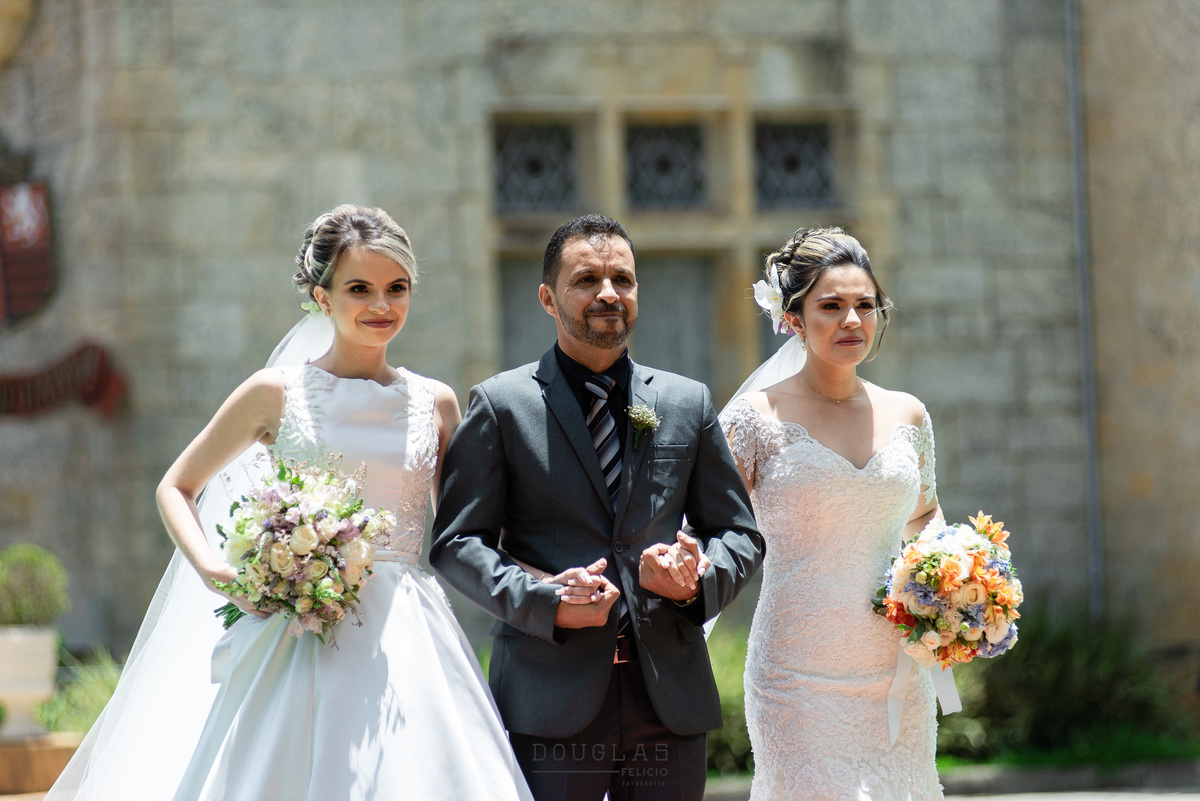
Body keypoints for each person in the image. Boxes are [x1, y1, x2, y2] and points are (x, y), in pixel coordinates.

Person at [49, 205, 532, 801]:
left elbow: (464, 535)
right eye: (360, 288)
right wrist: (216, 572)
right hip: (296, 629)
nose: (382, 305)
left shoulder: (436, 403)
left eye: (396, 288)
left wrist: (545, 580)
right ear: (321, 297)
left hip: (406, 628)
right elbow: (176, 485)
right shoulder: (274, 393)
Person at [429, 213, 765, 801]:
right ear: (547, 297)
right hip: (548, 699)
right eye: (586, 280)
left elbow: (739, 532)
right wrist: (546, 602)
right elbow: (457, 544)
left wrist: (694, 579)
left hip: (668, 700)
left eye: (623, 280)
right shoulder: (500, 406)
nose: (609, 293)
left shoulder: (687, 402)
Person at [719, 226, 944, 801]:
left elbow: (925, 515)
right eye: (831, 306)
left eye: (865, 305)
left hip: (897, 672)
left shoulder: (908, 414)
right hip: (796, 678)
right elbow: (711, 529)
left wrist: (954, 581)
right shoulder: (752, 421)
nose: (852, 320)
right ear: (792, 319)